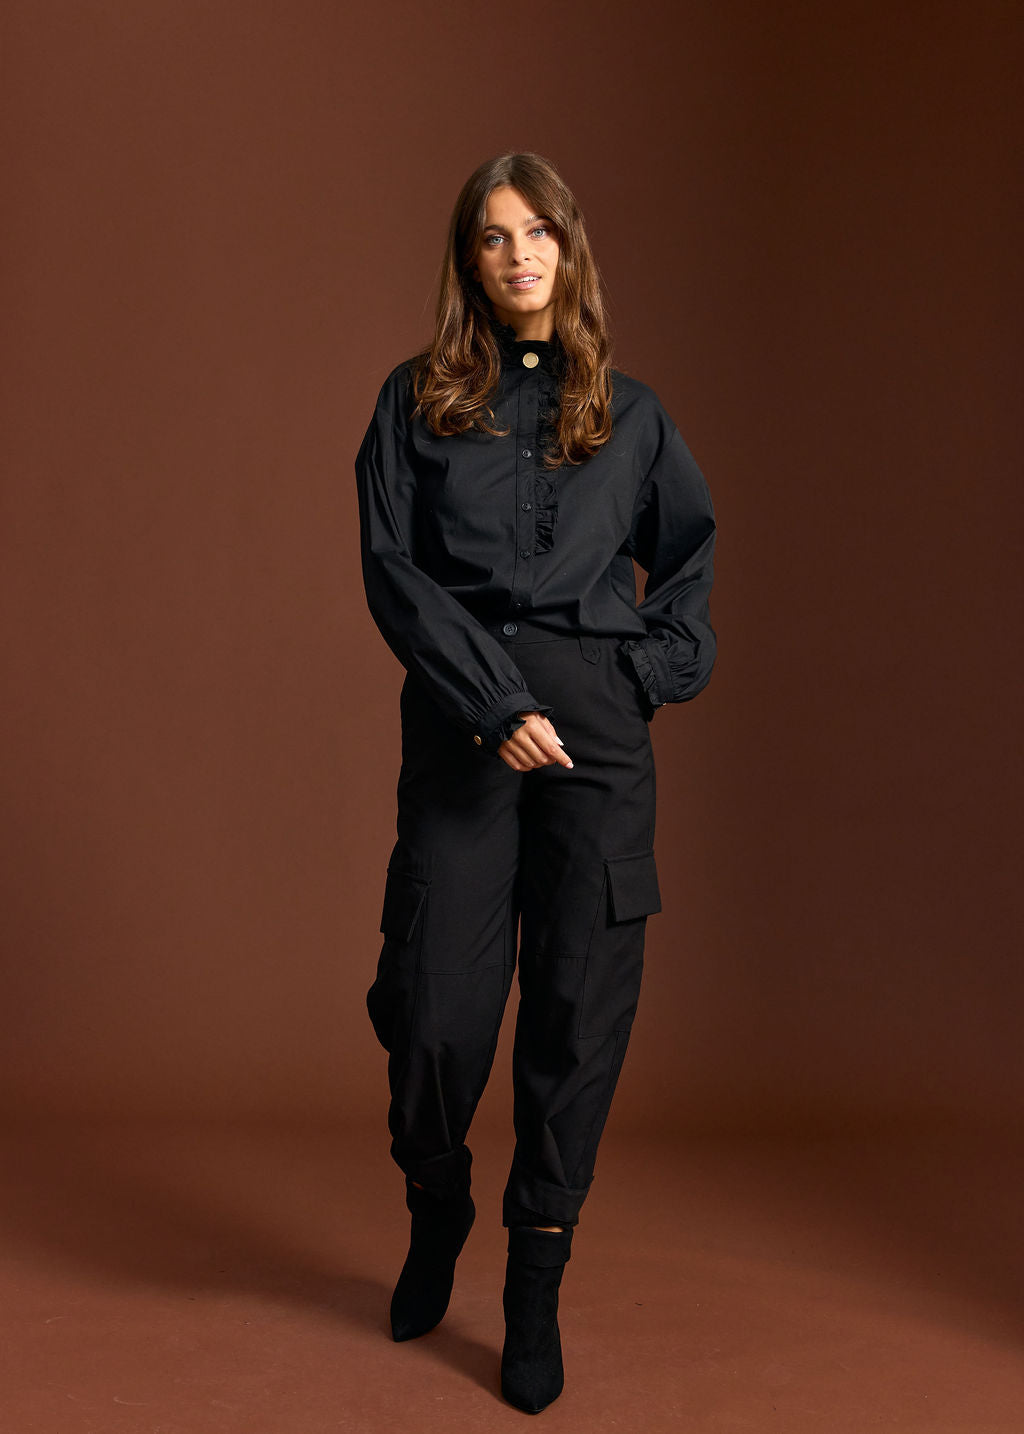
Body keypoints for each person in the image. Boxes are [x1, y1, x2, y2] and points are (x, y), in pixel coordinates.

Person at [354, 151, 716, 1414]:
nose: (519, 256)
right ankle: (436, 1201)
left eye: (539, 233)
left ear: (569, 248)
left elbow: (689, 563)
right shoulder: (414, 403)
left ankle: (533, 1287)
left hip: (596, 755)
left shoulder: (632, 415)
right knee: (431, 1010)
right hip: (465, 739)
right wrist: (491, 701)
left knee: (577, 1010)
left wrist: (640, 678)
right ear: (469, 260)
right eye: (494, 236)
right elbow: (393, 572)